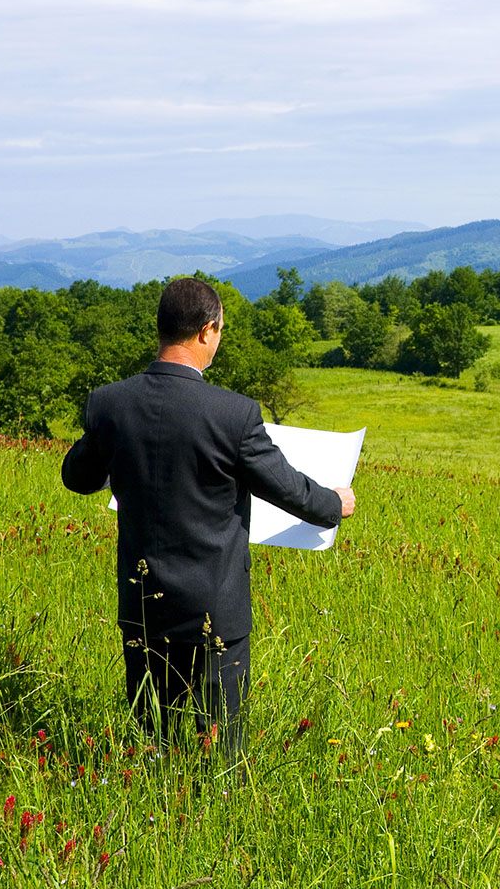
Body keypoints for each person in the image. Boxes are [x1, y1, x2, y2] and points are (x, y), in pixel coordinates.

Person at [62, 277, 355, 761]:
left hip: (142, 604)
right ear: (205, 331)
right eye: (219, 330)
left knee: (151, 741)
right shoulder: (234, 414)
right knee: (220, 751)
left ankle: (152, 814)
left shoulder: (110, 404)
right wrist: (333, 503)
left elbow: (78, 477)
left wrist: (113, 445)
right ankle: (218, 822)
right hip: (214, 610)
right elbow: (285, 487)